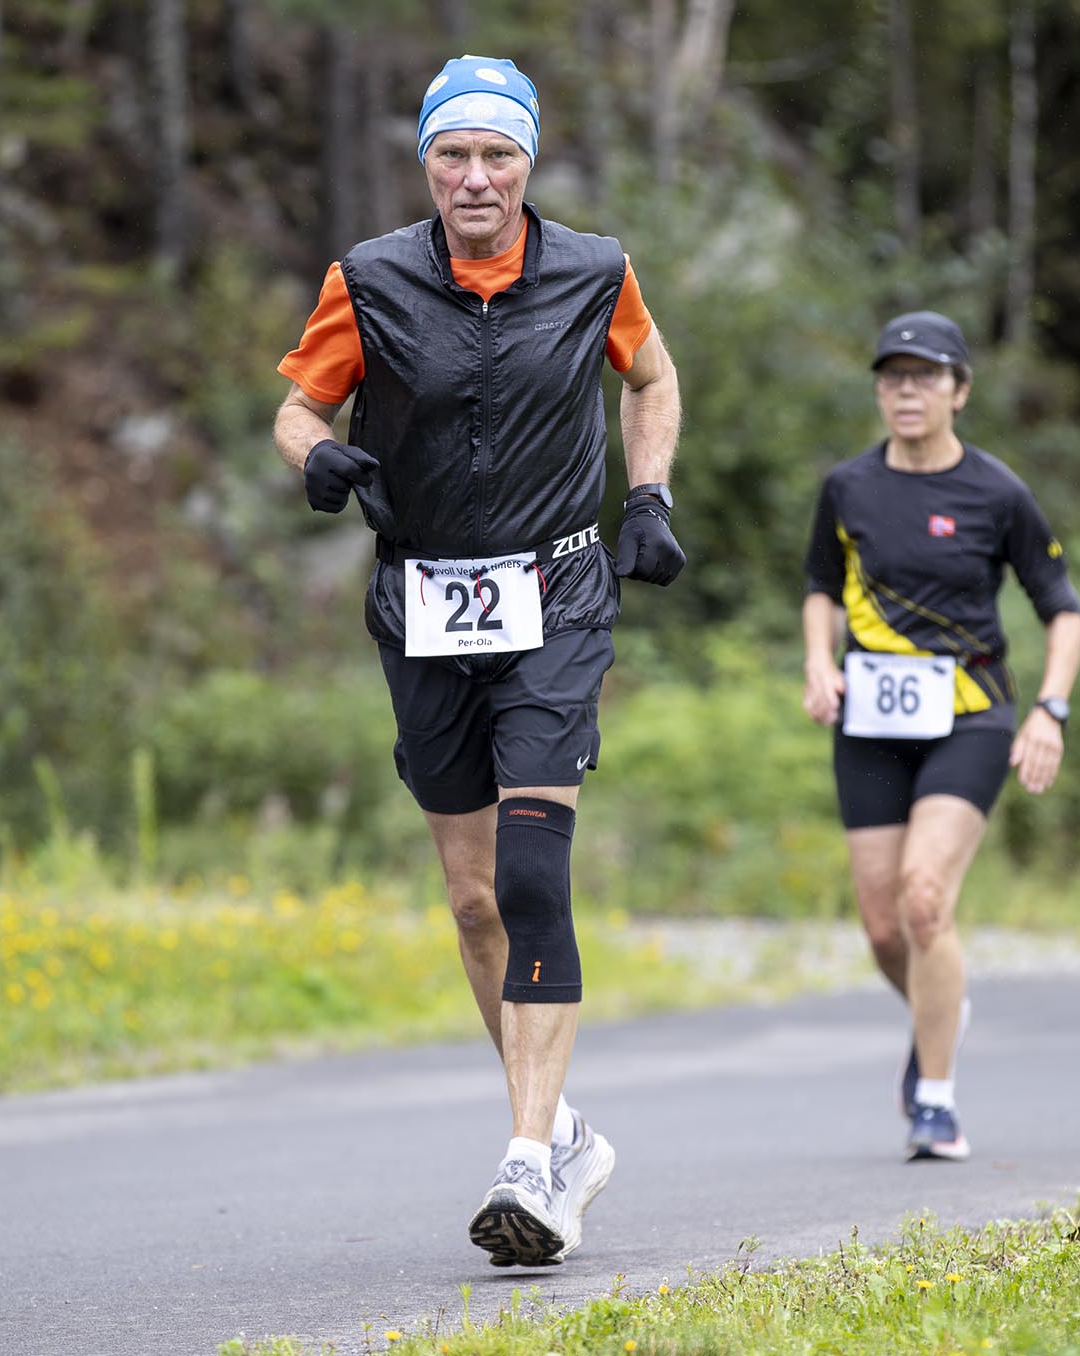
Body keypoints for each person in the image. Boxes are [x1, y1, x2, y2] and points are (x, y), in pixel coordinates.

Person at [273, 56, 685, 1266]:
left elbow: (650, 373)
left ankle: (524, 1162)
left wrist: (647, 493)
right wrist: (316, 457)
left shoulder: (594, 270)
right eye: (451, 154)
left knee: (532, 873)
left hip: (557, 593)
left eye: (496, 154)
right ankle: (557, 1132)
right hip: (426, 601)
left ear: (528, 164)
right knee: (469, 900)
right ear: (425, 166)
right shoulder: (372, 277)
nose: (473, 176)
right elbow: (298, 403)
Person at [800, 311, 1080, 1163]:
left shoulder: (998, 493)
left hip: (971, 714)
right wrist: (819, 663)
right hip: (871, 722)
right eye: (893, 377)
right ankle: (941, 1010)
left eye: (925, 376)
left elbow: (1062, 610)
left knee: (927, 900)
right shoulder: (847, 488)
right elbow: (820, 585)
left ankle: (935, 1098)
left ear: (959, 390)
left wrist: (1050, 710)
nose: (907, 391)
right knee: (885, 927)